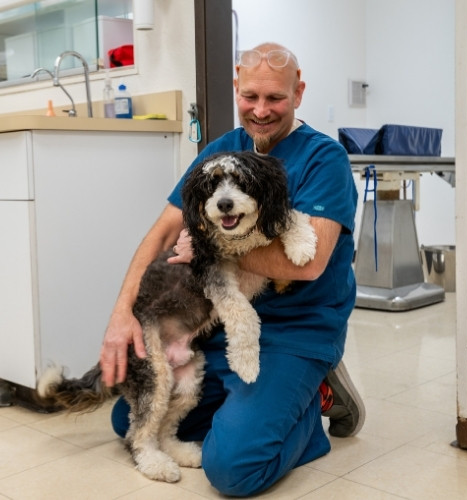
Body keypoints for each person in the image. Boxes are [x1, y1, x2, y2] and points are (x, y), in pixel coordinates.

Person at [100, 41, 365, 497]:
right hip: (221, 327)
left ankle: (314, 401)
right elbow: (163, 233)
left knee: (233, 470)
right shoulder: (221, 150)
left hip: (295, 331)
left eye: (275, 98)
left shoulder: (324, 159)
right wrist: (122, 315)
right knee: (128, 416)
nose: (261, 110)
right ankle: (261, 405)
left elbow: (308, 262)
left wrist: (208, 247)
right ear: (236, 89)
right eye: (251, 97)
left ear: (298, 93)